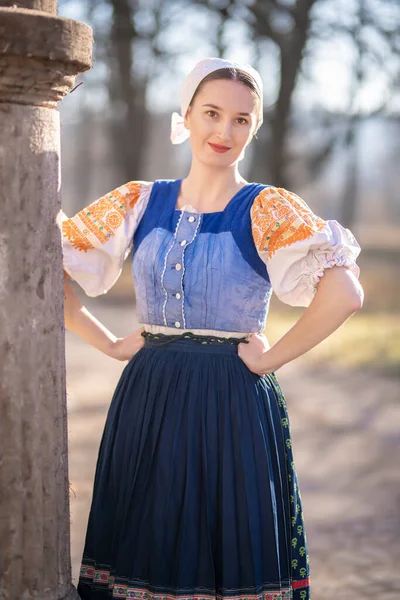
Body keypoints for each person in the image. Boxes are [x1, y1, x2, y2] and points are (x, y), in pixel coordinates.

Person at [60, 57, 363, 600]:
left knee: (226, 542)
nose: (224, 131)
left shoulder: (266, 209)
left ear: (255, 126)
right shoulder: (138, 200)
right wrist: (105, 343)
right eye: (212, 113)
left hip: (232, 399)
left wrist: (270, 360)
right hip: (148, 397)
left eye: (241, 119)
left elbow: (344, 293)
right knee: (146, 544)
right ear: (187, 115)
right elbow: (43, 271)